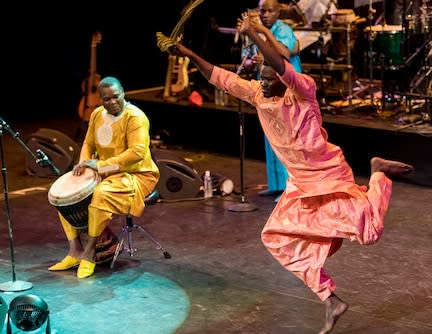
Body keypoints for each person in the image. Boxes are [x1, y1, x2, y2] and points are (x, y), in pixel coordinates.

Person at [172, 12, 414, 333]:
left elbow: (280, 62)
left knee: (369, 233)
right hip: (299, 185)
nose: (261, 80)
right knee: (276, 238)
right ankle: (330, 298)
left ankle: (378, 173)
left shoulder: (303, 91)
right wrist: (187, 54)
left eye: (267, 75)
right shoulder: (259, 95)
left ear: (282, 76)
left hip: (327, 175)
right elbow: (219, 76)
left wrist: (255, 34)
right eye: (259, 75)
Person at [48, 76, 160, 279]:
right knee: (65, 196)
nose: (112, 102)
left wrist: (100, 166)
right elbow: (88, 144)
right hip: (105, 171)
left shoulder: (135, 118)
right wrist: (82, 164)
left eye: (116, 97)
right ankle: (75, 251)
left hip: (136, 174)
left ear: (123, 93)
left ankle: (89, 253)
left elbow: (136, 154)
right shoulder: (98, 114)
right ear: (101, 99)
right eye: (106, 99)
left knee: (100, 194)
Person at [240, 0, 301, 200]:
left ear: (278, 12)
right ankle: (276, 185)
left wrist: (263, 37)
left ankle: (289, 188)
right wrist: (252, 61)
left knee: (287, 139)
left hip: (286, 91)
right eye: (262, 10)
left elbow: (285, 52)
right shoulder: (254, 32)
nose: (265, 14)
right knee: (272, 137)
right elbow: (246, 60)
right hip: (267, 90)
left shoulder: (283, 29)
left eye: (269, 10)